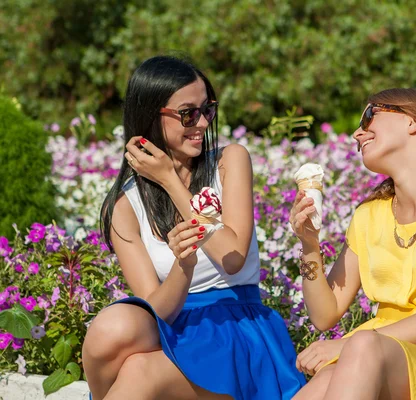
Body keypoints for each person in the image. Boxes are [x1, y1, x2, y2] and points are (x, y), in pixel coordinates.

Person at [82, 55, 305, 400]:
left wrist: (171, 182)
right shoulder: (125, 206)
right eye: (188, 113)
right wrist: (183, 266)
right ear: (150, 115)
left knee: (137, 371)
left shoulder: (229, 161)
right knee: (112, 327)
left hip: (232, 325)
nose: (201, 123)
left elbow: (232, 257)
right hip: (173, 327)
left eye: (207, 109)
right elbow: (157, 309)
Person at [289, 88, 416, 400]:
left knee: (359, 348)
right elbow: (324, 314)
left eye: (369, 115)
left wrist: (346, 344)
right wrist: (308, 244)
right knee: (322, 384)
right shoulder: (368, 215)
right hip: (371, 354)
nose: (358, 132)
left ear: (413, 121)